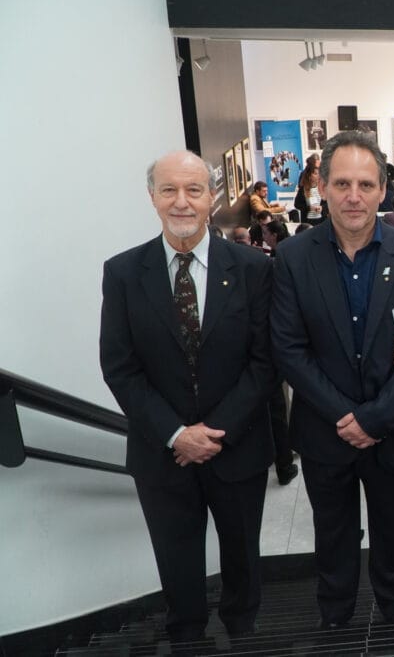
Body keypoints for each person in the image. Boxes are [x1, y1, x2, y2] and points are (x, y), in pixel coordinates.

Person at [99, 150, 276, 643]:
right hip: (162, 454)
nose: (182, 202)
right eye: (169, 190)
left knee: (243, 561)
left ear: (211, 198)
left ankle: (243, 635)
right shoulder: (123, 273)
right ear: (152, 197)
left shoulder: (253, 268)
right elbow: (120, 368)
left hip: (236, 448)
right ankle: (188, 640)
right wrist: (177, 434)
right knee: (177, 568)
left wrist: (213, 433)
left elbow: (265, 362)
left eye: (194, 190)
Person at [270, 131, 394, 627]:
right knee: (333, 534)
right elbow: (289, 349)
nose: (354, 196)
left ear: (383, 189)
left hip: (393, 431)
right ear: (321, 187)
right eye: (342, 183)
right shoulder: (292, 257)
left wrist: (374, 418)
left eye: (366, 185)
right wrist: (346, 416)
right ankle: (336, 618)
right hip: (324, 431)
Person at [295, 154, 323, 224]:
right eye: (315, 174)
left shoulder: (322, 187)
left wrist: (321, 208)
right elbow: (297, 204)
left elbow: (328, 204)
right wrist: (309, 208)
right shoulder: (303, 189)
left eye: (319, 173)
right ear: (310, 175)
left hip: (321, 221)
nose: (318, 176)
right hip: (308, 221)